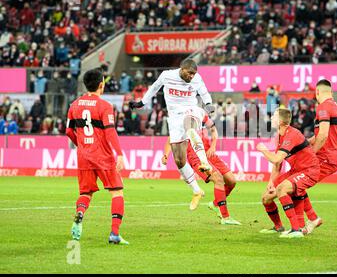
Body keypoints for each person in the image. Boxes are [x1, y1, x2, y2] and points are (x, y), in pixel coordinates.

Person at [129, 59, 215, 210]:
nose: (192, 76)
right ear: (182, 69)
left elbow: (204, 93)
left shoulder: (197, 79)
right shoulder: (167, 75)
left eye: (194, 74)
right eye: (189, 73)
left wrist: (208, 104)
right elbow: (154, 87)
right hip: (174, 117)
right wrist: (141, 103)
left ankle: (204, 162)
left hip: (191, 110)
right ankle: (196, 191)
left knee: (190, 127)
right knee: (179, 160)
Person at [66, 68, 128, 245]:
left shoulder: (74, 105)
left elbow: (69, 131)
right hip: (103, 157)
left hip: (83, 156)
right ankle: (114, 234)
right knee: (117, 192)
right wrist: (120, 154)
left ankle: (80, 213)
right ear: (101, 84)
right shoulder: (105, 106)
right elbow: (110, 133)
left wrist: (82, 145)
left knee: (86, 192)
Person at [162, 114, 240, 224]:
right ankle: (225, 217)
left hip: (209, 153)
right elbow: (172, 138)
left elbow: (213, 130)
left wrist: (213, 146)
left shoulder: (202, 114)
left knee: (231, 181)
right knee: (218, 179)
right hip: (196, 157)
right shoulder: (181, 118)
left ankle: (215, 204)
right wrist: (166, 154)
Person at [257, 108, 320, 239]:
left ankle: (296, 229)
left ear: (280, 121)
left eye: (274, 115)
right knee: (266, 198)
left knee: (282, 189)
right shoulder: (280, 135)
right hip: (296, 171)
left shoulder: (292, 134)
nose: (272, 117)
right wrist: (270, 182)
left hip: (309, 170)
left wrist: (263, 150)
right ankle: (278, 226)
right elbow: (278, 164)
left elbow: (277, 158)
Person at [304, 79, 337, 234]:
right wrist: (304, 143)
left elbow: (323, 136)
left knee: (295, 185)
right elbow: (319, 135)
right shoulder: (335, 107)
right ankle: (311, 219)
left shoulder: (323, 107)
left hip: (326, 157)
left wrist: (310, 155)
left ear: (317, 92)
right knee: (296, 185)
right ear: (331, 92)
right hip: (332, 157)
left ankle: (306, 222)